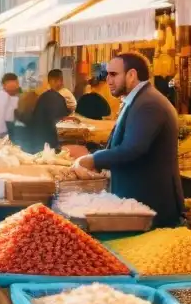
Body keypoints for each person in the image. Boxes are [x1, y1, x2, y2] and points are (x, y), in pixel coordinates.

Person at [74, 52, 183, 227]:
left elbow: (133, 149)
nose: (108, 80)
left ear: (131, 75)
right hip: (139, 204)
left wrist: (93, 159)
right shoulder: (138, 100)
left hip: (150, 205)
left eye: (113, 74)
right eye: (107, 74)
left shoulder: (149, 104)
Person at [29, 70, 71, 153]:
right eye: (61, 80)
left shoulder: (42, 97)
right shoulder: (58, 98)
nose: (62, 83)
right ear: (54, 81)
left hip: (37, 141)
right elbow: (63, 120)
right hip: (52, 143)